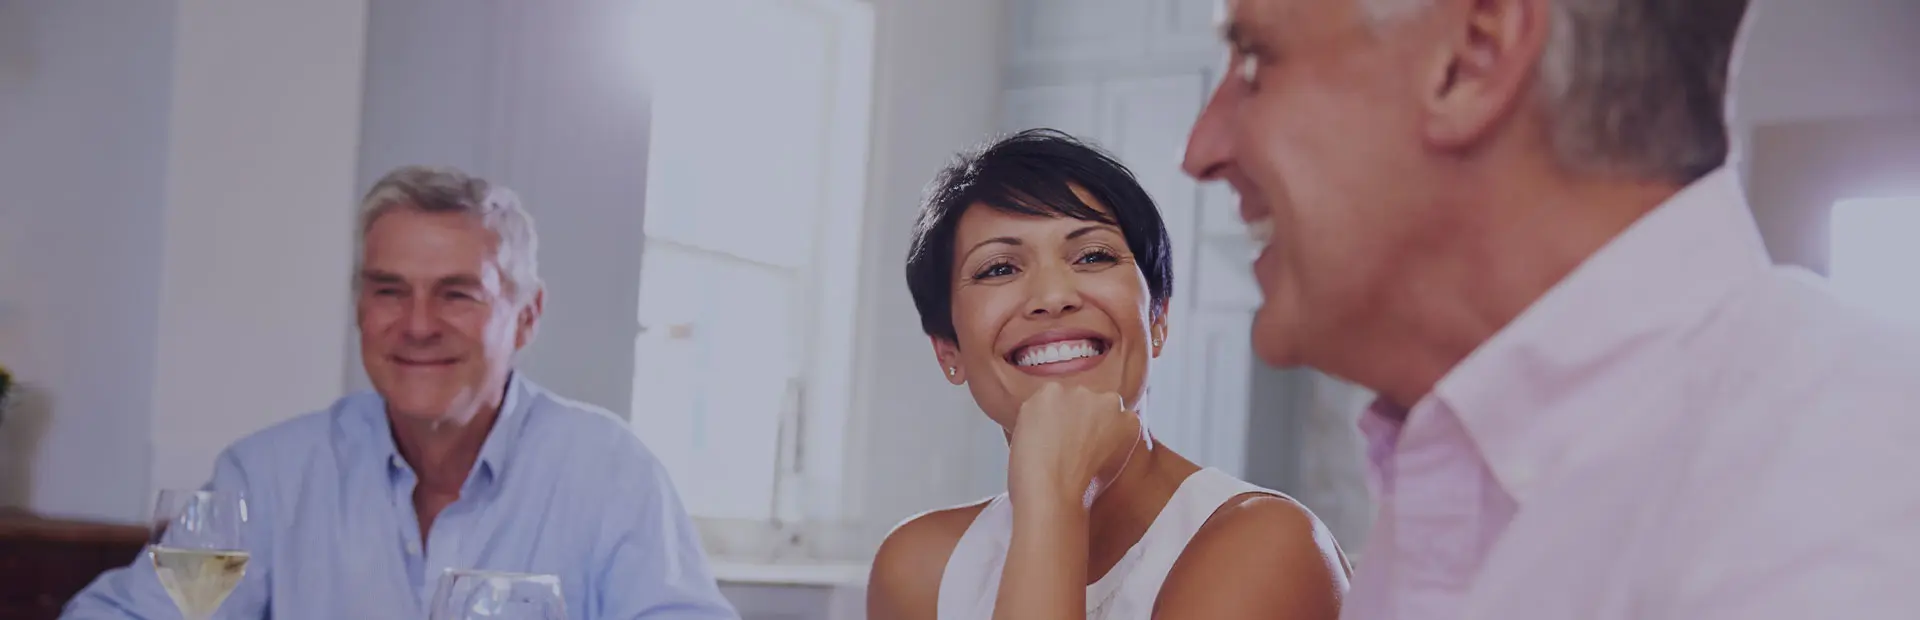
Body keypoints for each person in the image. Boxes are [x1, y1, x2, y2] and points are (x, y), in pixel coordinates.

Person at [1180, 0, 1920, 618]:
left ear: (1470, 59)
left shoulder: (1835, 482)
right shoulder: (1456, 475)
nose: (1200, 150)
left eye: (1254, 62)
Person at [63, 166, 738, 620]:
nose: (417, 325)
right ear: (360, 308)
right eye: (390, 290)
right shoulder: (267, 478)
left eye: (457, 294)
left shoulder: (610, 474)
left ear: (526, 318)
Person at [866, 129, 1350, 620]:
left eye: (1092, 256)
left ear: (1158, 318)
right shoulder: (921, 568)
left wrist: (1055, 501)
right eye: (998, 269)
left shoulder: (1266, 544)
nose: (1054, 296)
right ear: (949, 351)